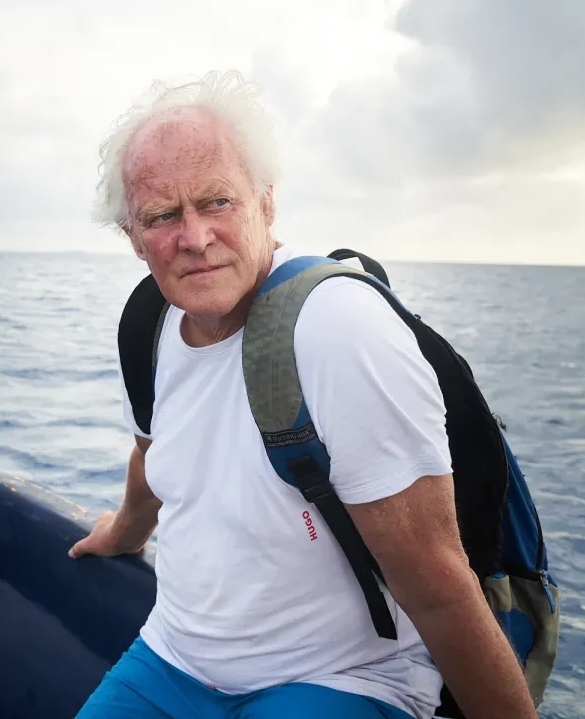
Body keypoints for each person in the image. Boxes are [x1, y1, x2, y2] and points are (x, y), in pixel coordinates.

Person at [68, 71, 539, 718]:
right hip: (174, 657)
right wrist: (124, 531)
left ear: (265, 203)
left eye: (217, 202)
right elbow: (155, 453)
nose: (195, 238)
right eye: (163, 215)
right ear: (133, 236)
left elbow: (438, 587)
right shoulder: (148, 324)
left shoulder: (339, 330)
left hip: (342, 678)